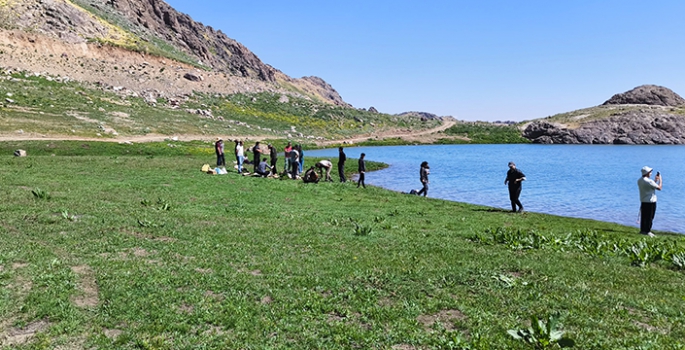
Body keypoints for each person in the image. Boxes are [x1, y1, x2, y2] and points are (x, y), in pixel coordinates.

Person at [637, 166, 662, 237]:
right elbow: (659, 188)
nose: (651, 173)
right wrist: (660, 180)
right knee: (650, 217)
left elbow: (649, 186)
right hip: (651, 201)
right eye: (650, 172)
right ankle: (647, 231)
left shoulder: (640, 180)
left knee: (644, 216)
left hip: (643, 200)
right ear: (647, 173)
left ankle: (643, 230)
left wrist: (655, 180)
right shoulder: (649, 181)